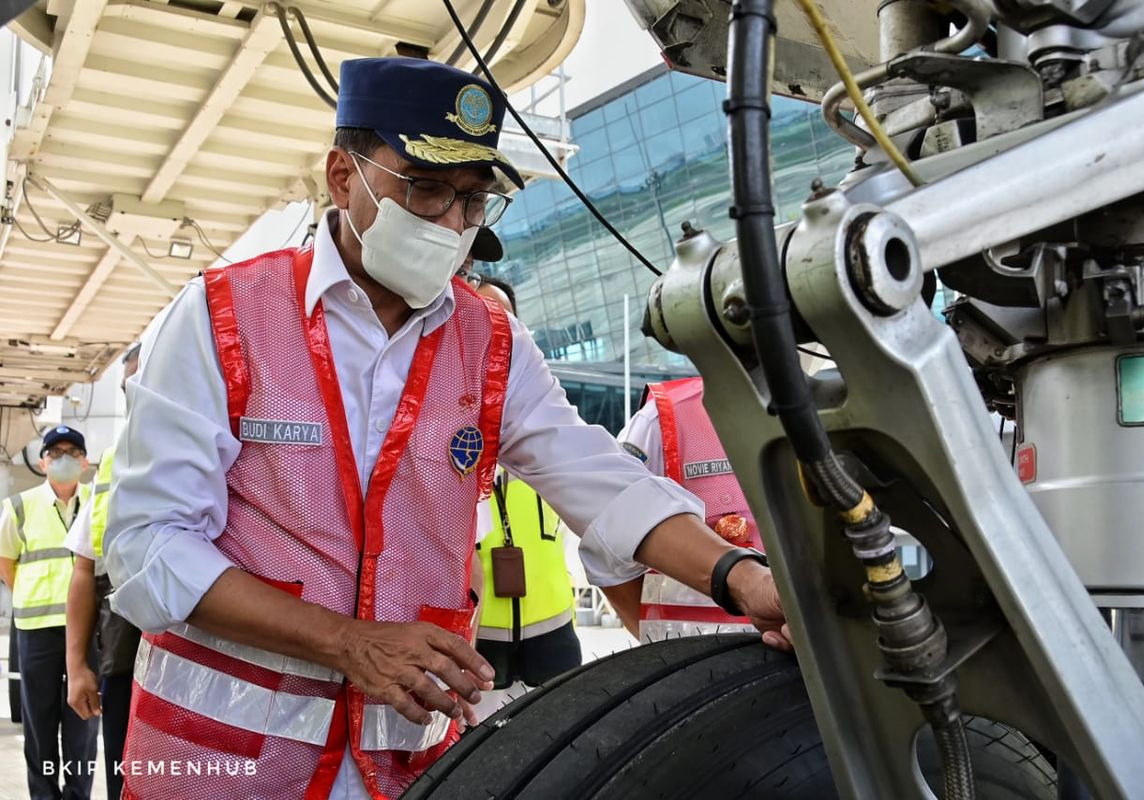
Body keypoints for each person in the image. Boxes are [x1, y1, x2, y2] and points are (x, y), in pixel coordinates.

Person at [104, 57, 789, 799]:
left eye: (473, 199)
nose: (453, 224)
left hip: (404, 769)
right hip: (220, 765)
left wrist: (740, 575)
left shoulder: (489, 342)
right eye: (425, 188)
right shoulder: (222, 316)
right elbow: (146, 548)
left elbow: (599, 480)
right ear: (343, 176)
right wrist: (346, 642)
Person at [471, 276, 582, 719]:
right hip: (480, 637)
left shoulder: (543, 420)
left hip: (554, 630)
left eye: (503, 320)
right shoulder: (445, 423)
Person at [613, 377, 765, 642]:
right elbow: (610, 536)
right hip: (696, 661)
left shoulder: (841, 413)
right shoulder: (664, 419)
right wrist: (652, 637)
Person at [0, 425, 99, 800]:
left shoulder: (97, 502)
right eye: (54, 452)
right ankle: (43, 795)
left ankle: (77, 795)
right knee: (39, 722)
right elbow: (5, 561)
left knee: (84, 723)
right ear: (42, 462)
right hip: (36, 628)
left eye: (72, 452)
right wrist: (29, 593)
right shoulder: (19, 506)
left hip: (88, 630)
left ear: (84, 461)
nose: (63, 459)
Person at [64, 343, 144, 800]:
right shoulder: (114, 463)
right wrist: (77, 667)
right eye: (126, 387)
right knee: (124, 780)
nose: (135, 394)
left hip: (202, 663)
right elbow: (83, 569)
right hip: (124, 660)